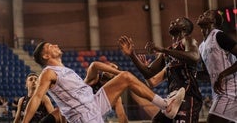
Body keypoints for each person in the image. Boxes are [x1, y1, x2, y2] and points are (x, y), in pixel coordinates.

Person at [22, 42, 186, 123]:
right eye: (50, 46)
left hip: (93, 103)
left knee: (126, 77)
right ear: (45, 56)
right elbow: (36, 98)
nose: (56, 45)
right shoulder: (47, 73)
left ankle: (166, 106)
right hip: (83, 116)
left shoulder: (67, 70)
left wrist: (117, 72)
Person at [118, 17, 203, 123]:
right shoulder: (168, 52)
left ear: (184, 28)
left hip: (189, 96)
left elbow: (194, 57)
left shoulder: (188, 40)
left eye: (177, 21)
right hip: (172, 99)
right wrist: (132, 55)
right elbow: (149, 73)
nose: (172, 22)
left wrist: (163, 50)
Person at [197, 9, 237, 123]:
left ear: (213, 21)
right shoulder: (201, 46)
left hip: (231, 90)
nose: (201, 15)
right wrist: (190, 75)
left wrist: (222, 75)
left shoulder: (219, 35)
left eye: (206, 15)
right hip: (219, 92)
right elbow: (206, 74)